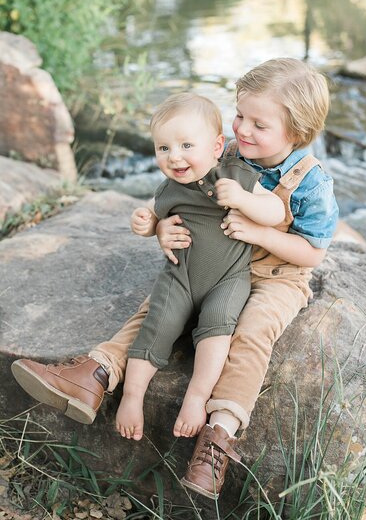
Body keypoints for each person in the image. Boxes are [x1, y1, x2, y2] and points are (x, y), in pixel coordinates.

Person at [12, 58, 339, 500]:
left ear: (296, 133)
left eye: (258, 124)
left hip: (277, 273)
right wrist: (164, 228)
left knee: (253, 330)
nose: (242, 129)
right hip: (216, 257)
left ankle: (219, 433)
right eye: (240, 115)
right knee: (160, 304)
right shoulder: (226, 150)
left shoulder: (311, 182)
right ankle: (98, 371)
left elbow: (313, 252)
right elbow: (183, 195)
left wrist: (261, 232)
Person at [114, 92, 284, 440]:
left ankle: (196, 397)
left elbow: (276, 212)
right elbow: (154, 214)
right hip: (180, 276)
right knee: (157, 328)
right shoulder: (169, 188)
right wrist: (147, 223)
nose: (174, 156)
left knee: (217, 329)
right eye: (163, 148)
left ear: (217, 146)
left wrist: (244, 199)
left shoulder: (236, 174)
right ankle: (132, 397)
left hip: (228, 278)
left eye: (186, 145)